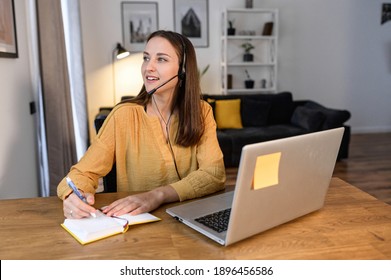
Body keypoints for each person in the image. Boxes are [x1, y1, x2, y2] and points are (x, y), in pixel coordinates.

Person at [57, 30, 226, 219]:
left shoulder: (201, 112)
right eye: (146, 58)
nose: (148, 67)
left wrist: (157, 195)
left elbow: (214, 174)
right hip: (134, 225)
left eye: (161, 59)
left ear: (183, 70)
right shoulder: (123, 115)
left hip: (190, 221)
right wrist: (73, 195)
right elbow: (82, 173)